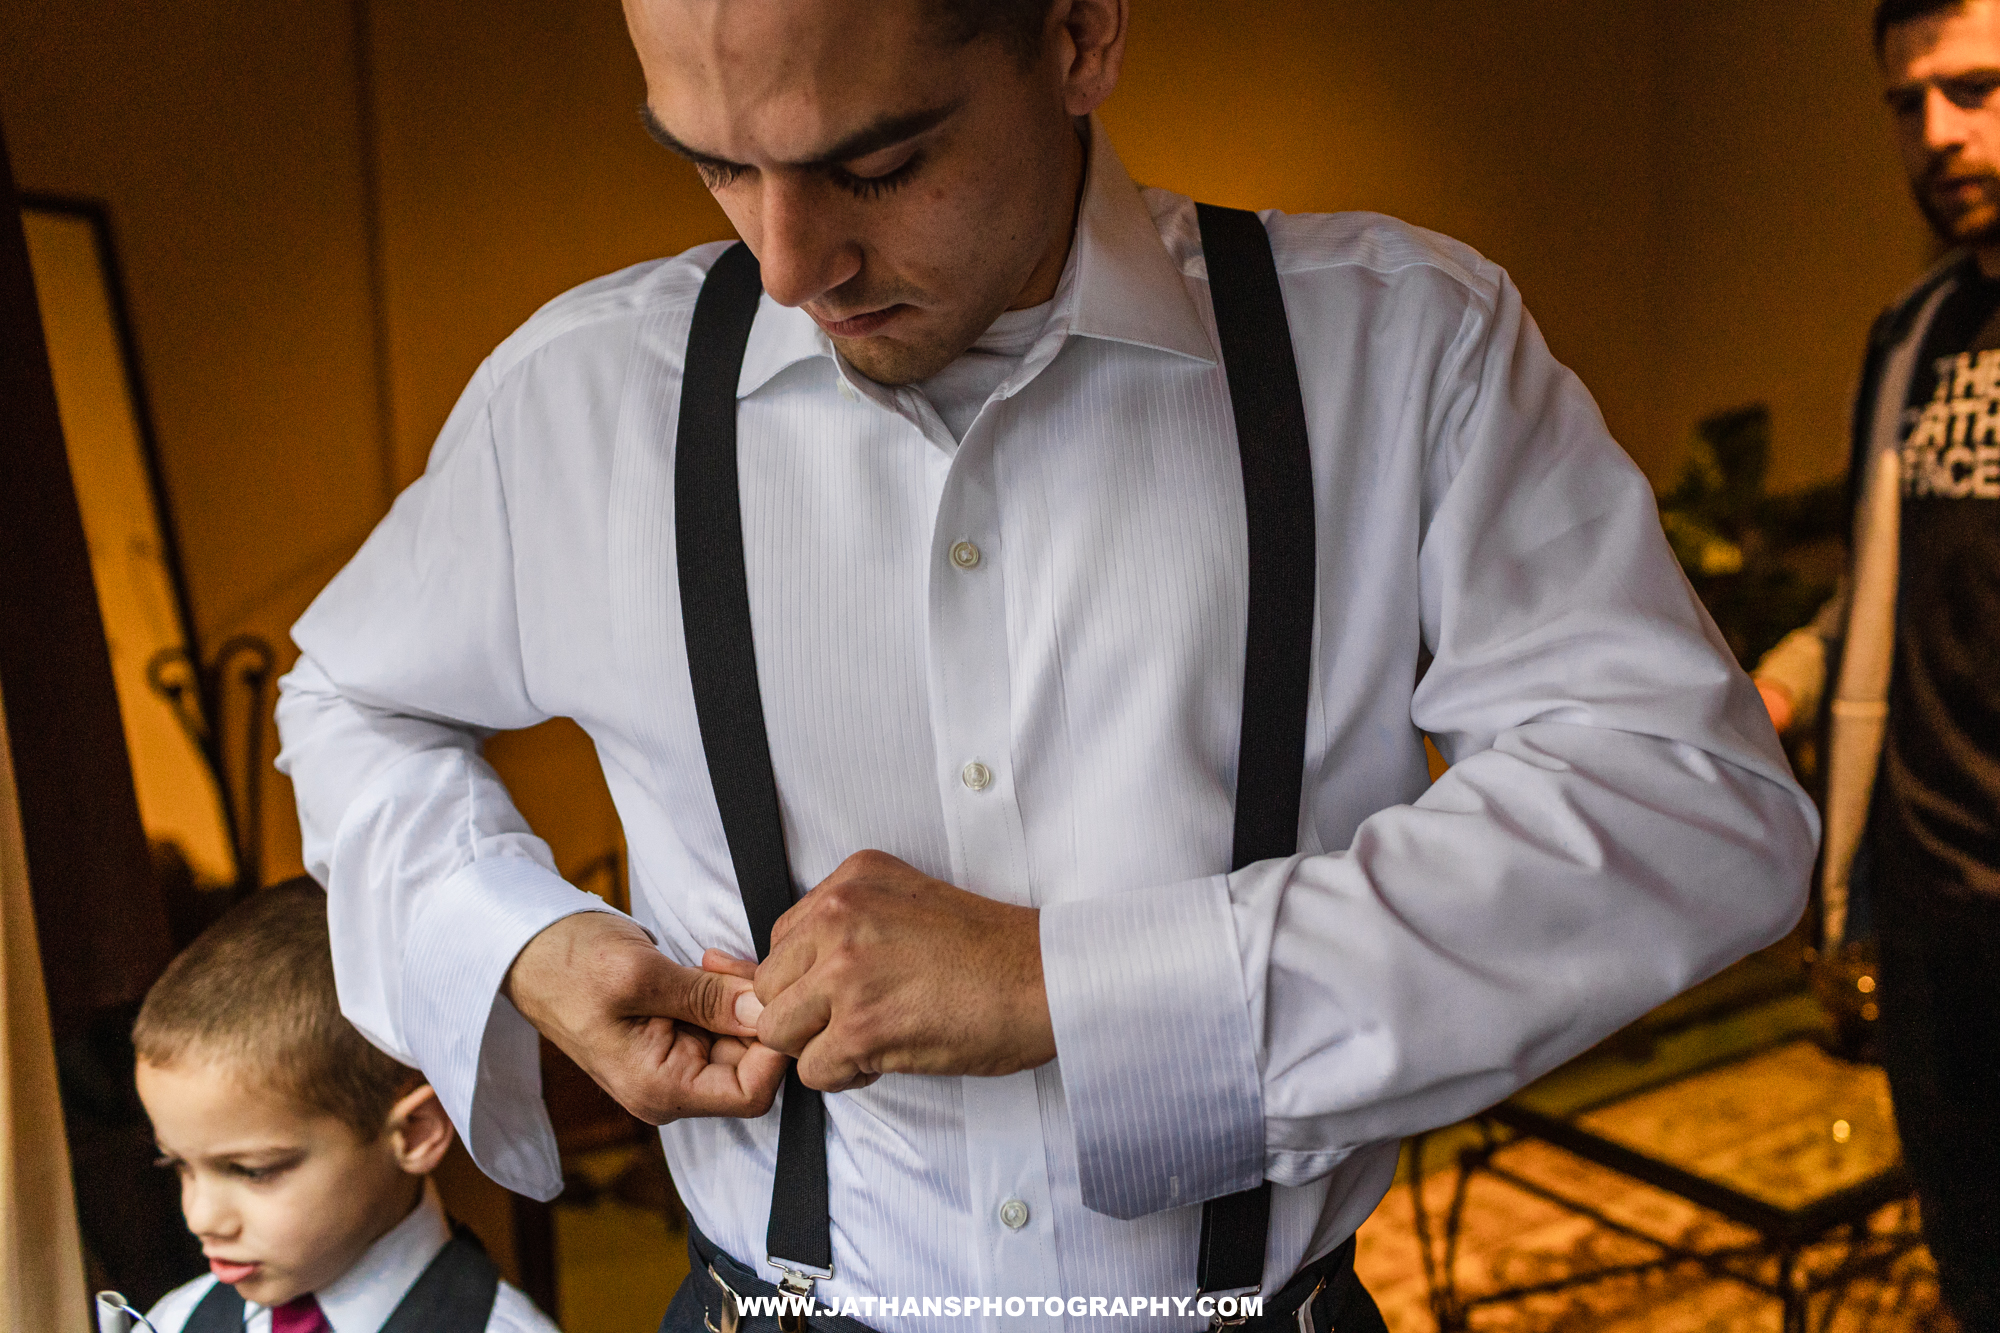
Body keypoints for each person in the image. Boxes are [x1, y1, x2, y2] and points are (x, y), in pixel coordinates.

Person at [274, 1, 1818, 1329]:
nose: (793, 259)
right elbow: (349, 698)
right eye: (717, 164)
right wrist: (521, 939)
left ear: (1081, 31)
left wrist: (1071, 986)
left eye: (875, 161)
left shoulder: (1402, 348)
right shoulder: (579, 400)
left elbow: (1691, 812)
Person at [1752, 1, 2000, 1325]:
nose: (1939, 134)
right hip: (1938, 919)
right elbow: (1886, 594)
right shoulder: (1915, 335)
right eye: (1909, 104)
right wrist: (1776, 686)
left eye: (1978, 89)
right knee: (1974, 1260)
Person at [130, 880, 560, 1333]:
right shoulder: (171, 1322)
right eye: (177, 1164)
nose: (200, 1217)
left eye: (252, 1170)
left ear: (415, 1132)